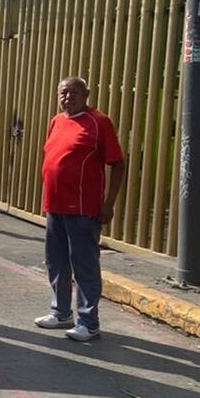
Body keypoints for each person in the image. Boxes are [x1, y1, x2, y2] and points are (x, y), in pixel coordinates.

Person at [35, 77, 125, 342]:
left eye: (74, 92)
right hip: (55, 206)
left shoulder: (99, 122)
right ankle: (61, 312)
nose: (67, 97)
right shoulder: (57, 121)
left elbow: (118, 164)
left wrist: (108, 205)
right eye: (63, 92)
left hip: (83, 209)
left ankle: (89, 321)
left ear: (86, 94)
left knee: (84, 265)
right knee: (56, 262)